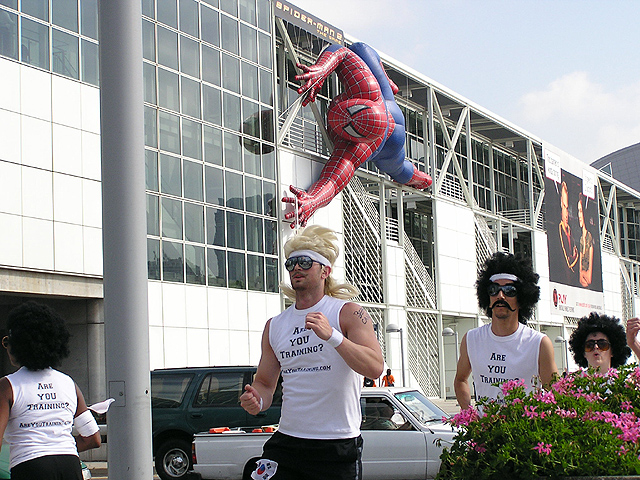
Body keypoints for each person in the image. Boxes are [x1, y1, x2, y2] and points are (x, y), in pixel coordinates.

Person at [240, 225, 384, 480]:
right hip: (288, 440)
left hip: (336, 443)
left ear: (325, 271)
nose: (296, 268)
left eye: (305, 262)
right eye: (291, 263)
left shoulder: (348, 313)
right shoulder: (275, 325)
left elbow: (374, 368)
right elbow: (264, 383)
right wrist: (256, 401)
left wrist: (333, 336)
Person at [283, 42, 432, 227]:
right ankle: (387, 81)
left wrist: (312, 201)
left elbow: (332, 183)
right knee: (359, 48)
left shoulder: (358, 149)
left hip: (391, 142)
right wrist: (321, 70)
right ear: (362, 102)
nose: (342, 118)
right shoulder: (367, 89)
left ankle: (421, 178)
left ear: (359, 137)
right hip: (387, 101)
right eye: (353, 111)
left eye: (351, 126)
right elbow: (342, 52)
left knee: (399, 168)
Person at [0, 302, 101, 480]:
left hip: (30, 466)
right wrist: (57, 448)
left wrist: (40, 452)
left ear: (18, 344)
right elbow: (93, 438)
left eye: (7, 342)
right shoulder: (68, 383)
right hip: (70, 464)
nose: (6, 347)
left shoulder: (8, 386)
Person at [454, 252, 558, 410]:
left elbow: (555, 392)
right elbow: (460, 379)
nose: (500, 296)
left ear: (522, 297)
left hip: (523, 425)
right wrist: (469, 415)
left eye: (509, 290)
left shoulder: (539, 343)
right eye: (493, 289)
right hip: (484, 426)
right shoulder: (471, 339)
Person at [559, 181, 578, 273]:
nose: (566, 214)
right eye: (564, 207)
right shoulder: (560, 229)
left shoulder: (569, 230)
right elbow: (568, 262)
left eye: (567, 208)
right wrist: (575, 256)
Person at [577, 194, 594, 288]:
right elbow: (580, 276)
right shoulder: (580, 238)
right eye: (578, 211)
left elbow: (588, 279)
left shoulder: (589, 239)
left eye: (580, 211)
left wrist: (582, 273)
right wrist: (582, 273)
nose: (579, 215)